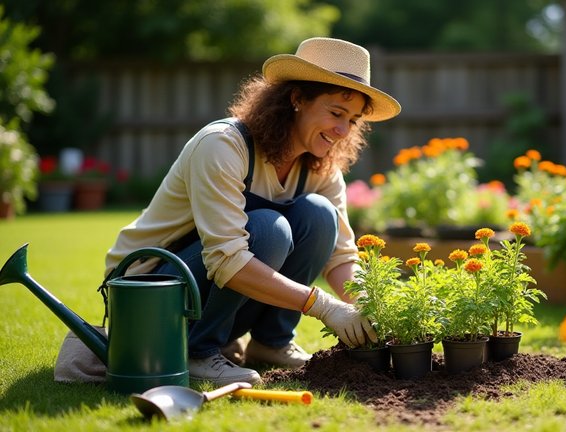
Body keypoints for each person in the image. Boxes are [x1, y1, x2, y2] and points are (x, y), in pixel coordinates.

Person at [104, 37, 401, 386]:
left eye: (352, 120)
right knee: (269, 228)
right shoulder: (223, 145)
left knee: (319, 215)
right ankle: (198, 351)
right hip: (150, 296)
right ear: (297, 99)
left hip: (207, 294)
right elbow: (226, 258)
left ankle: (270, 344)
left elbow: (339, 258)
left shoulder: (322, 170)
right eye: (336, 113)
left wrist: (377, 309)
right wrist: (323, 305)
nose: (342, 130)